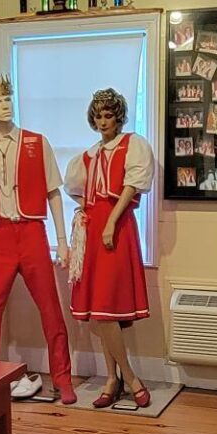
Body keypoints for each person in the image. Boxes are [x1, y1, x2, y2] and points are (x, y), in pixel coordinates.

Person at [0, 75, 76, 405]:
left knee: (51, 309)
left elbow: (53, 192)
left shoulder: (37, 142)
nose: (5, 105)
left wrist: (62, 239)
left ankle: (62, 378)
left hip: (32, 234)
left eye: (8, 99)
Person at [64, 88, 154, 409]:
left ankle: (125, 378)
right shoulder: (88, 156)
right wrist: (89, 214)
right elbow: (76, 190)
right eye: (98, 116)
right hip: (94, 231)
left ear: (118, 117)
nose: (103, 121)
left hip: (116, 229)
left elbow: (132, 188)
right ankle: (115, 378)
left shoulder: (133, 145)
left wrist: (111, 222)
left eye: (108, 115)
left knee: (107, 308)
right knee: (103, 312)